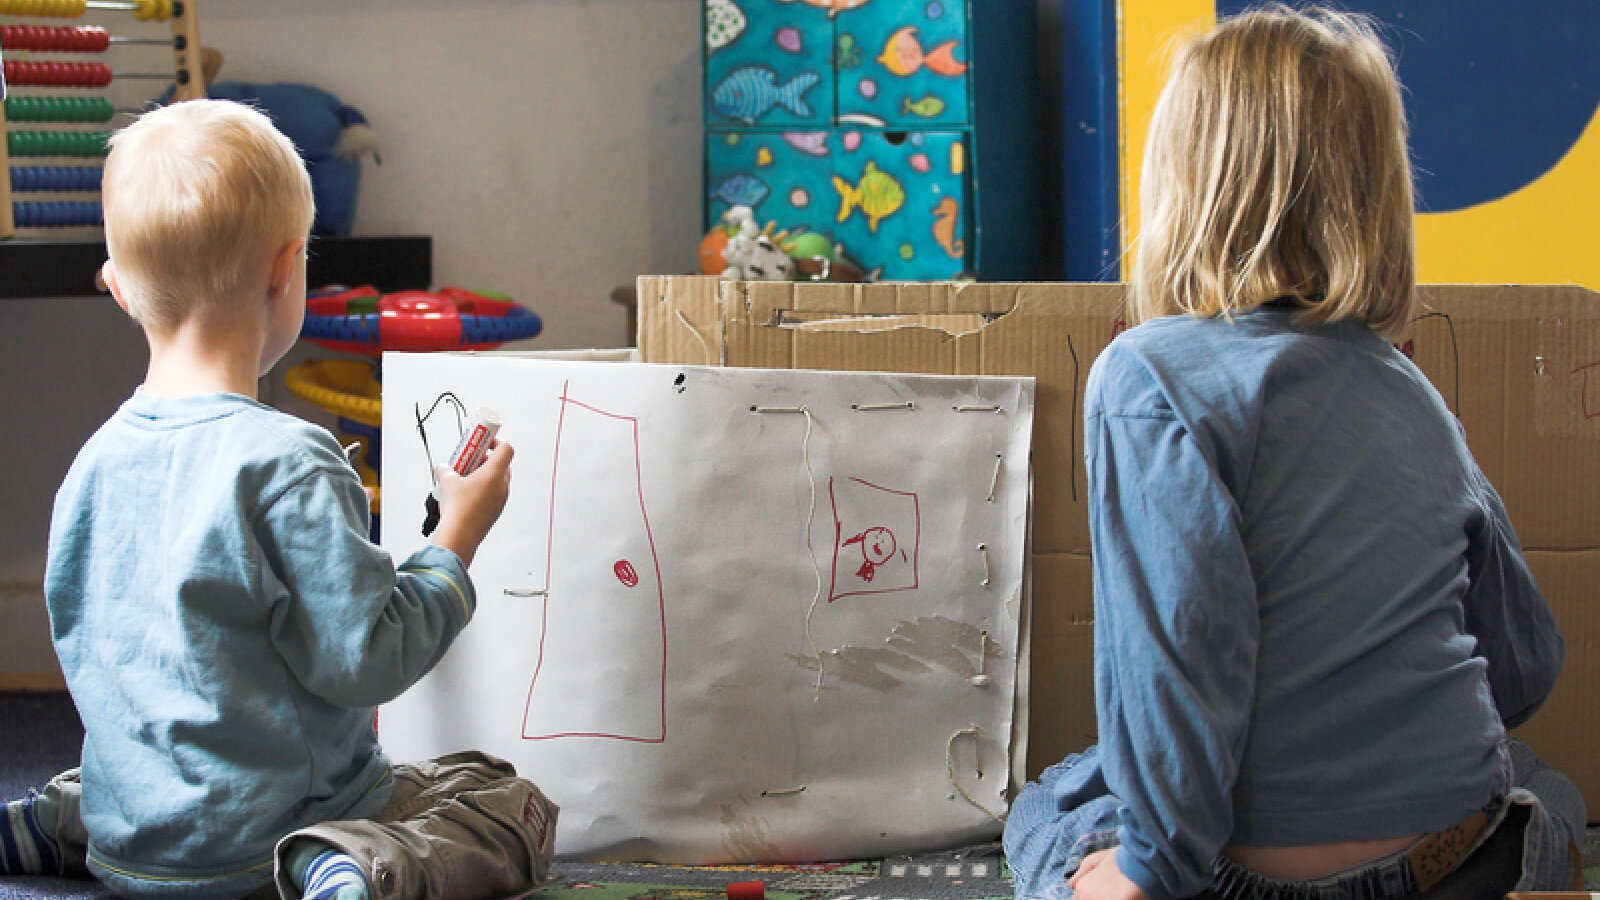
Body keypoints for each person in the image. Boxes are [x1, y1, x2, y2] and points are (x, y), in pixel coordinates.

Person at [1004, 6, 1585, 900]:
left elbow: (1184, 653)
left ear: (1182, 188)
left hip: (1252, 879)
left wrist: (1148, 868)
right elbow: (1524, 667)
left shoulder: (1148, 374)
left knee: (1052, 802)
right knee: (1542, 781)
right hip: (1461, 855)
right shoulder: (1409, 388)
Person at [0, 99, 556, 900]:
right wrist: (456, 539)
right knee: (497, 800)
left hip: (135, 837)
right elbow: (369, 657)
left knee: (135, 755)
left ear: (118, 288)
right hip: (265, 839)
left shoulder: (92, 465)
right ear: (286, 269)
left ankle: (49, 822)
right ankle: (335, 863)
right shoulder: (290, 461)